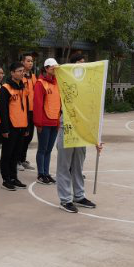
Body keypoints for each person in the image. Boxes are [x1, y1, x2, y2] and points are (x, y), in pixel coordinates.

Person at [56, 53, 100, 213]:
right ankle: (65, 199)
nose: (83, 65)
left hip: (82, 127)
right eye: (80, 63)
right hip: (67, 125)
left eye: (84, 63)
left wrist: (95, 137)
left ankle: (79, 196)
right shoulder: (63, 79)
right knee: (64, 165)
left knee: (78, 165)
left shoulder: (86, 84)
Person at [0, 62, 30, 191]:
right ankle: (6, 179)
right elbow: (3, 110)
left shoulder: (23, 87)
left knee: (16, 154)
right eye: (19, 71)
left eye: (23, 71)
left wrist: (27, 126)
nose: (22, 73)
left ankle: (14, 177)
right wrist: (5, 129)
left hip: (22, 125)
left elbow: (26, 108)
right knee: (7, 154)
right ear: (12, 73)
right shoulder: (5, 88)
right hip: (11, 127)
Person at [33, 58, 61, 185]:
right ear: (46, 68)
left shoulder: (57, 83)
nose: (55, 69)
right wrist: (38, 123)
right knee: (42, 149)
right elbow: (37, 105)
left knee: (49, 149)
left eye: (56, 67)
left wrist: (58, 121)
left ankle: (46, 173)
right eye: (52, 67)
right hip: (44, 122)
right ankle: (41, 174)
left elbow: (59, 104)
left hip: (54, 121)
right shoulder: (40, 84)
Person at [16, 52, 37, 172]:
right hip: (23, 111)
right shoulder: (19, 77)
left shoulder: (33, 76)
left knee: (29, 137)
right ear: (22, 62)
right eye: (28, 61)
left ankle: (23, 159)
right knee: (22, 137)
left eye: (32, 61)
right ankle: (17, 160)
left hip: (32, 111)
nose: (30, 63)